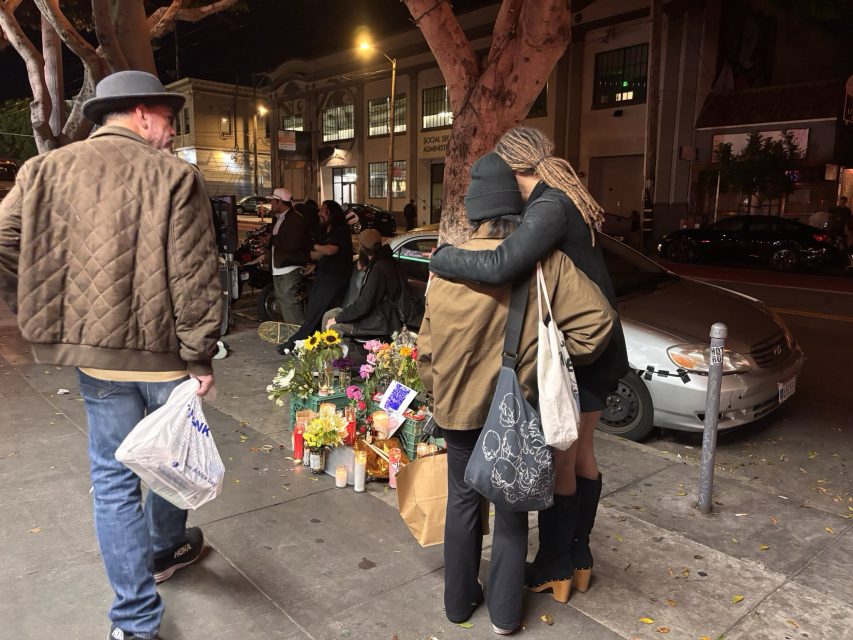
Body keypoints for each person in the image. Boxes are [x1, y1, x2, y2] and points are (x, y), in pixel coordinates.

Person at [0, 70, 223, 640]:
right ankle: (164, 547)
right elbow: (196, 275)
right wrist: (201, 360)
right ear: (143, 113)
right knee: (174, 457)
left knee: (113, 482)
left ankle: (134, 623)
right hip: (167, 358)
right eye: (170, 122)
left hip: (96, 361)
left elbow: (4, 245)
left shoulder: (42, 170)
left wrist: (39, 305)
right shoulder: (175, 176)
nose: (172, 134)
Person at [417, 153, 616, 634]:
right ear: (516, 207)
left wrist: (440, 393)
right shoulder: (547, 264)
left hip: (458, 411)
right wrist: (549, 357)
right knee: (510, 514)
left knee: (462, 502)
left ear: (474, 212)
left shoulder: (446, 268)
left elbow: (426, 349)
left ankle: (458, 604)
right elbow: (598, 326)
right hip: (517, 412)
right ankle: (506, 618)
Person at [279, 200, 353, 352]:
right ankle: (310, 344)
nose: (320, 214)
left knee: (317, 312)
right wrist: (300, 256)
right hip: (324, 276)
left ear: (331, 212)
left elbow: (330, 250)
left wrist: (311, 246)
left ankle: (296, 344)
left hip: (335, 279)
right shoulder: (326, 229)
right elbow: (318, 255)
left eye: (323, 210)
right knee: (315, 312)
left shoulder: (341, 230)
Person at [323, 228, 407, 338]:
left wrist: (337, 319)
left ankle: (336, 354)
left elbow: (364, 305)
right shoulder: (386, 262)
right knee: (331, 314)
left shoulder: (378, 269)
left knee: (331, 322)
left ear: (362, 248)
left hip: (380, 322)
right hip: (385, 316)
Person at [269, 187, 313, 327]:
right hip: (279, 266)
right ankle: (291, 334)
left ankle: (299, 337)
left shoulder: (296, 219)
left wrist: (271, 239)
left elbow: (292, 243)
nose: (271, 204)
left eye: (272, 201)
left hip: (290, 266)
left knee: (290, 302)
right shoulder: (278, 218)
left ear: (280, 202)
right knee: (283, 301)